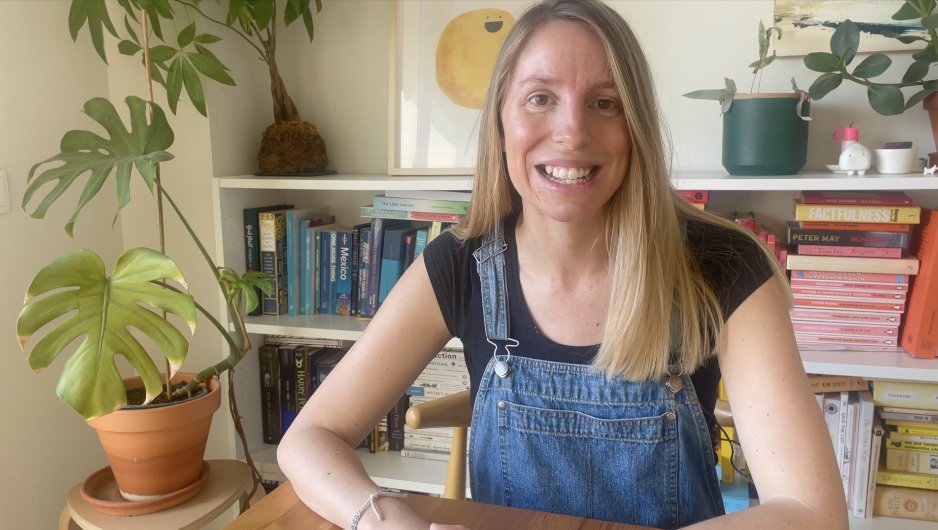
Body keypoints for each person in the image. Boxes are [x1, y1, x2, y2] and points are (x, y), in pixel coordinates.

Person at [278, 1, 848, 529]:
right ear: (501, 124)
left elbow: (812, 513)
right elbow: (309, 438)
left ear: (636, 128)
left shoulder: (724, 265)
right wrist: (387, 519)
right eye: (539, 98)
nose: (572, 132)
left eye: (605, 103)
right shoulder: (460, 262)